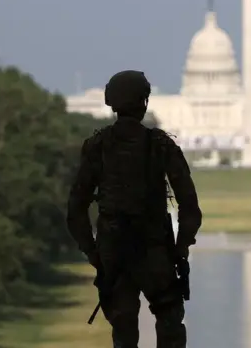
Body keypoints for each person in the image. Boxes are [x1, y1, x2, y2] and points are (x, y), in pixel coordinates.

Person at [66, 70, 202, 348]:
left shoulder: (97, 147)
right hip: (154, 250)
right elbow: (190, 207)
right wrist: (180, 248)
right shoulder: (161, 145)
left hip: (114, 253)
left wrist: (93, 253)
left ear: (111, 102)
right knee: (170, 325)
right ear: (144, 101)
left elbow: (75, 210)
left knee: (124, 330)